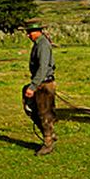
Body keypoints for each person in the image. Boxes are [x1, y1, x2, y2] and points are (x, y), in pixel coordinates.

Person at [21, 19, 57, 156]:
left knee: (44, 114)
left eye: (30, 32)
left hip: (44, 84)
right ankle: (50, 134)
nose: (28, 35)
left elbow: (42, 68)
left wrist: (33, 86)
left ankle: (48, 143)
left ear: (38, 31)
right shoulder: (39, 43)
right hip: (41, 82)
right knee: (34, 110)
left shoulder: (42, 45)